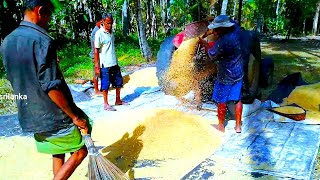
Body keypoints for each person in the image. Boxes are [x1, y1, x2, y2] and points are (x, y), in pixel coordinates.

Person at [1, 0, 91, 179]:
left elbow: (21, 74)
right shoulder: (42, 40)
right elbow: (51, 87)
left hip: (29, 113)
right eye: (49, 14)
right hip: (53, 113)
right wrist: (74, 116)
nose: (49, 20)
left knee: (58, 150)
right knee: (80, 151)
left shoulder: (7, 41)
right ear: (40, 10)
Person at [199, 15, 243, 133]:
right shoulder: (237, 31)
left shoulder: (222, 42)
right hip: (238, 72)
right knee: (238, 99)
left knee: (221, 100)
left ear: (224, 28)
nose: (216, 31)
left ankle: (221, 126)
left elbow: (212, 55)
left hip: (225, 75)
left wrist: (204, 43)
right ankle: (238, 127)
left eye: (217, 29)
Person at [94, 12, 128, 111]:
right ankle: (106, 103)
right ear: (103, 21)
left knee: (119, 81)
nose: (109, 25)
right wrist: (97, 66)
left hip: (114, 61)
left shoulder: (111, 32)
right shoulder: (99, 34)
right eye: (108, 23)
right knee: (105, 84)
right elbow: (96, 50)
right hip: (105, 64)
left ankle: (118, 100)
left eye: (111, 23)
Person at [90, 18, 103, 94]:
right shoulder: (96, 31)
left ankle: (100, 88)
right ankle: (96, 90)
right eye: (101, 22)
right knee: (96, 72)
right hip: (95, 54)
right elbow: (95, 46)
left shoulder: (99, 30)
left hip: (99, 54)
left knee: (100, 72)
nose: (102, 23)